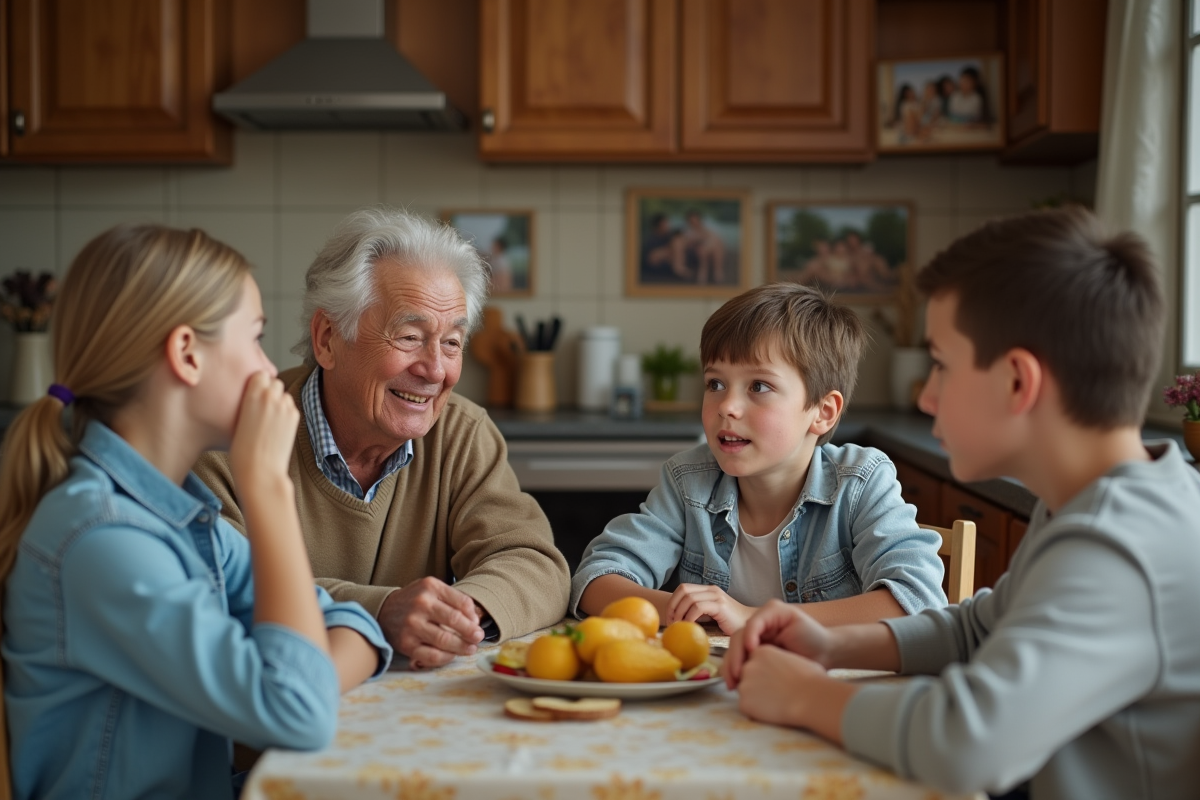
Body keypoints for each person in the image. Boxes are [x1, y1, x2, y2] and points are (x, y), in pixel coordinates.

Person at [724, 207, 1200, 799]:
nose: (925, 397)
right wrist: (832, 644)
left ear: (1019, 383)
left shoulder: (1121, 546)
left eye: (942, 366)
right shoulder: (1101, 503)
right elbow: (981, 628)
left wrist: (803, 694)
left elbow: (967, 743)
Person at [0, 224, 392, 800]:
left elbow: (352, 625)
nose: (267, 370)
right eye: (254, 339)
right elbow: (300, 710)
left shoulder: (176, 514)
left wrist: (300, 675)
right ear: (186, 353)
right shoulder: (103, 541)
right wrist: (267, 489)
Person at [195, 208, 570, 670]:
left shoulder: (461, 432)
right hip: (278, 714)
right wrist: (380, 611)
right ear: (328, 339)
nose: (435, 369)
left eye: (452, 343)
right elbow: (221, 585)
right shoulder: (231, 442)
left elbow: (533, 561)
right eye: (410, 336)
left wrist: (456, 616)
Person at [571, 283, 946, 634]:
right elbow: (595, 580)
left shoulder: (861, 482)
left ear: (823, 412)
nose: (727, 407)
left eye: (759, 386)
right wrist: (689, 611)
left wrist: (753, 618)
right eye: (715, 383)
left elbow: (917, 604)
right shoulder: (689, 481)